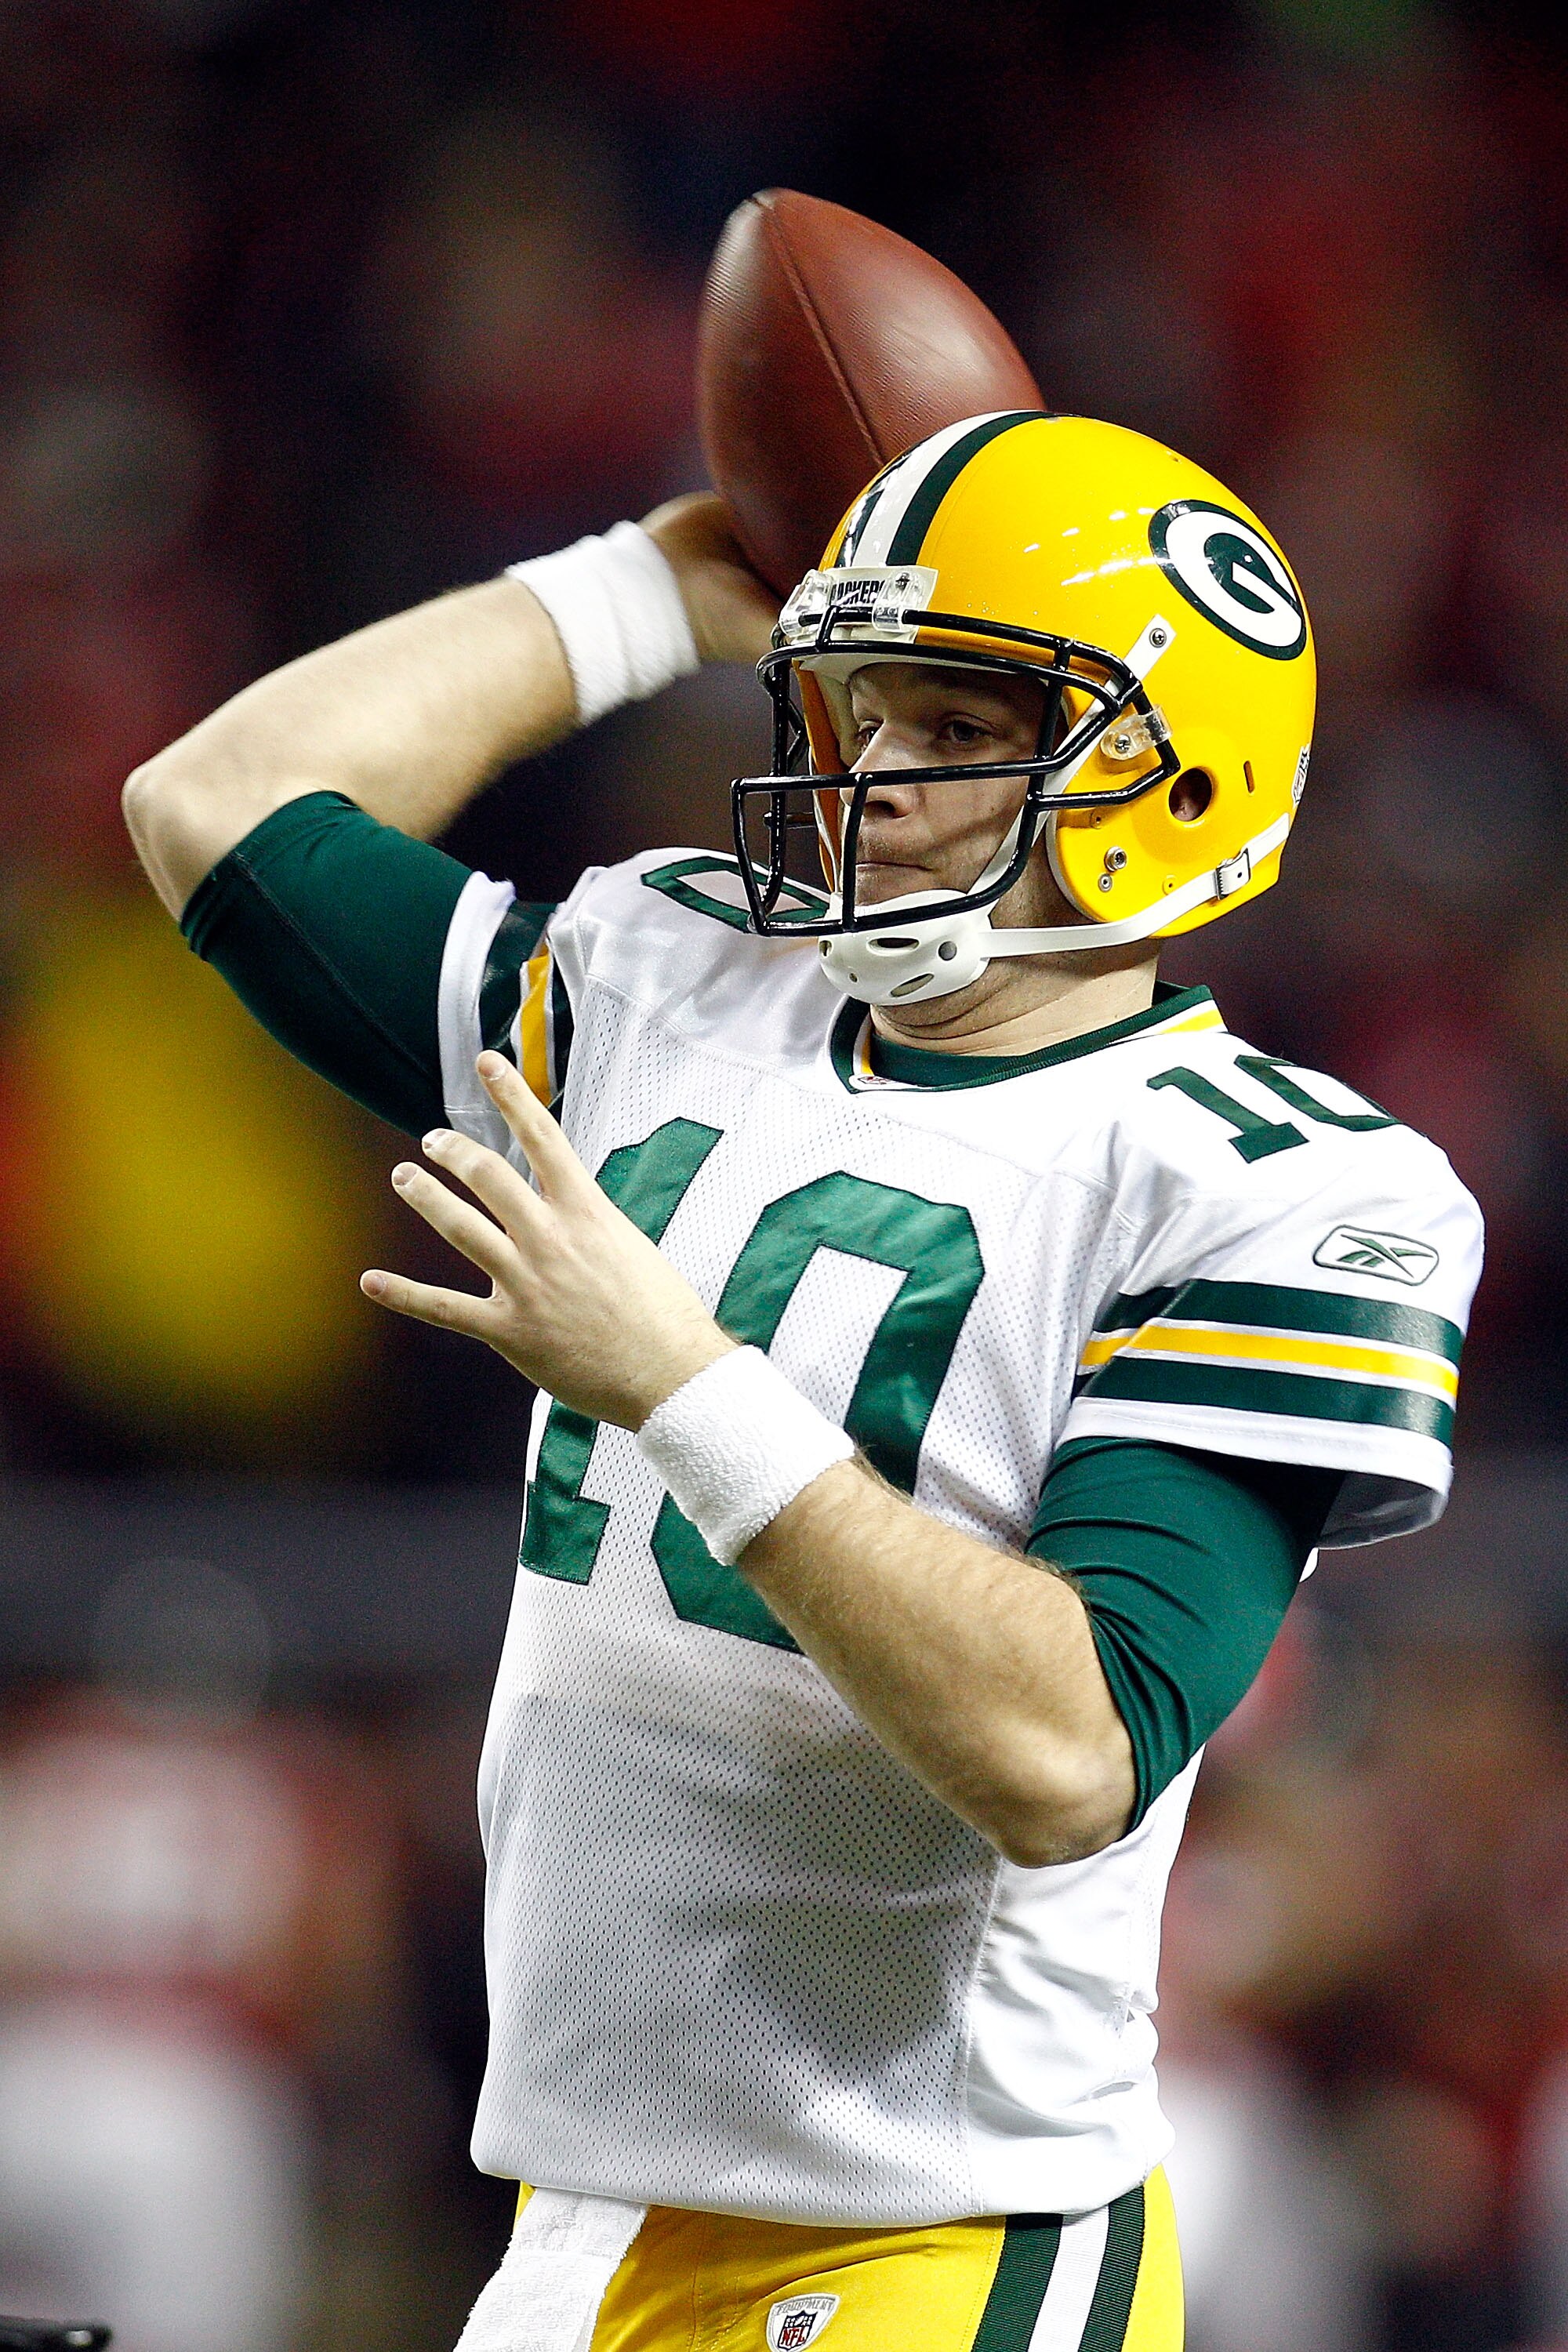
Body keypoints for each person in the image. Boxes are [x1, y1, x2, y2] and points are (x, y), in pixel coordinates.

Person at [124, 409, 1483, 2352]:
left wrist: (683, 1383)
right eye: (853, 718)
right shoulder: (687, 974)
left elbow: (1068, 1752)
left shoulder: (1276, 1181)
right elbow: (221, 804)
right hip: (581, 2214)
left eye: (955, 726)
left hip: (927, 2235)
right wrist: (642, 589)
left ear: (1172, 772)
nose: (872, 781)